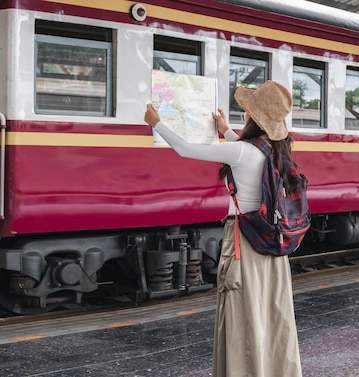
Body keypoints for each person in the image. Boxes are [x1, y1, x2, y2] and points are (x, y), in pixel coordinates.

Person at [144, 80, 303, 377]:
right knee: (272, 313)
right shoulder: (278, 151)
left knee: (243, 312)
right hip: (274, 248)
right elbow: (246, 155)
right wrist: (225, 130)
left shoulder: (242, 151)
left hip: (245, 242)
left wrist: (158, 123)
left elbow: (185, 149)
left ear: (253, 118)